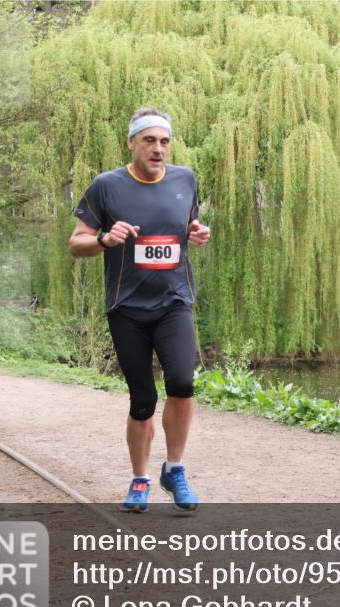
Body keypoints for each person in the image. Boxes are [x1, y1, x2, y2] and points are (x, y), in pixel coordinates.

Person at [69, 107, 211, 513]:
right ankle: (140, 479)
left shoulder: (185, 179)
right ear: (132, 143)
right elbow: (76, 243)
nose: (158, 148)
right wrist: (104, 238)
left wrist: (197, 233)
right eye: (149, 140)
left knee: (182, 383)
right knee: (143, 400)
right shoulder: (107, 186)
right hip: (127, 306)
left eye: (164, 141)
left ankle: (175, 469)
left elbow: (186, 226)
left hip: (174, 301)